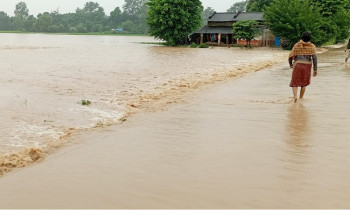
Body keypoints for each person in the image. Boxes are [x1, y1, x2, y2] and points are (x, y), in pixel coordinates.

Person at [288, 32, 318, 103]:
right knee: (304, 83)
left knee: (294, 82)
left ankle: (295, 97)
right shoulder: (312, 46)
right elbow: (314, 58)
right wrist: (315, 69)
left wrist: (290, 63)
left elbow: (291, 55)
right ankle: (301, 98)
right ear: (310, 38)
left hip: (298, 64)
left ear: (302, 37)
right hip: (307, 66)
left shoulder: (297, 45)